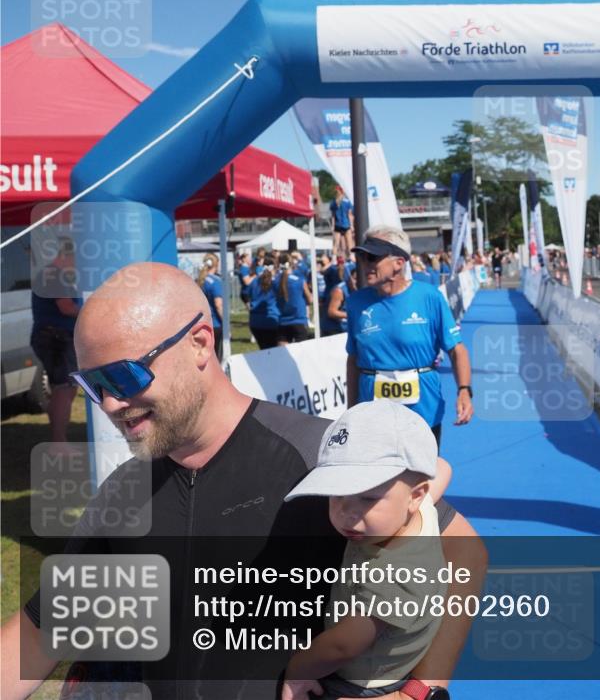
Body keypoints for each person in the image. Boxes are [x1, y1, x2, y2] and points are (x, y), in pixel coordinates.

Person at [1, 263, 486, 700]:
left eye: (123, 377)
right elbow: (39, 633)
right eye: (93, 385)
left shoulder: (321, 457)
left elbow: (464, 551)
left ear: (199, 344)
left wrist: (422, 689)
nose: (108, 404)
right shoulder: (125, 493)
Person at [282, 401, 446, 699]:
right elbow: (443, 470)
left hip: (364, 682)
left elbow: (344, 646)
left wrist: (298, 668)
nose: (346, 512)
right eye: (335, 495)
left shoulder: (393, 575)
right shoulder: (420, 508)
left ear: (415, 495)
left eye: (367, 498)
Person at [344, 226, 472, 496]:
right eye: (364, 257)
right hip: (373, 412)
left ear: (399, 263)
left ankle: (424, 533)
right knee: (377, 487)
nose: (365, 264)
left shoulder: (429, 297)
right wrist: (351, 410)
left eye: (373, 258)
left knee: (420, 485)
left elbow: (457, 350)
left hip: (422, 410)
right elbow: (353, 359)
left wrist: (464, 390)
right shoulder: (356, 302)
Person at [30, 237, 80, 442]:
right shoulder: (56, 276)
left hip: (50, 336)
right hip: (56, 337)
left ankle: (57, 438)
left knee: (63, 388)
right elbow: (66, 307)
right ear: (68, 255)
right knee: (64, 389)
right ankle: (59, 442)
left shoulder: (51, 274)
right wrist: (91, 313)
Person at [277, 252, 312, 345]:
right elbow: (310, 300)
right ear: (291, 264)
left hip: (282, 321)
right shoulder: (299, 280)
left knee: (282, 357)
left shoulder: (275, 281)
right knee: (301, 356)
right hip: (299, 320)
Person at [196, 252, 224, 360]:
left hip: (203, 323)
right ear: (216, 264)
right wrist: (226, 323)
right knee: (217, 357)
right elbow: (218, 305)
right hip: (216, 324)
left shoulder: (200, 280)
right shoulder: (216, 282)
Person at [248, 255, 281, 349]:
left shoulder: (254, 281)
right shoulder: (276, 282)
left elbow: (249, 296)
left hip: (255, 322)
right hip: (271, 320)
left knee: (263, 350)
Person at [332, 187, 355, 258]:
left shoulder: (334, 202)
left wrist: (333, 226)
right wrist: (351, 226)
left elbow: (333, 215)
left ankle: (334, 259)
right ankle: (352, 257)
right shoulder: (347, 202)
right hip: (346, 224)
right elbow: (349, 214)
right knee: (349, 243)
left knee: (336, 244)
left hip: (337, 225)